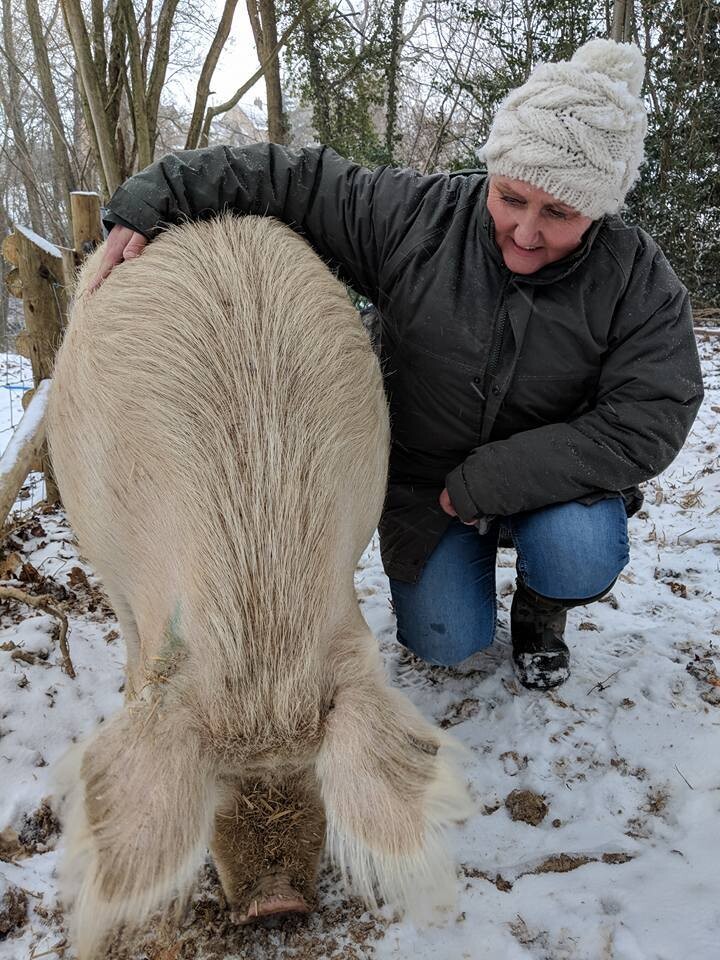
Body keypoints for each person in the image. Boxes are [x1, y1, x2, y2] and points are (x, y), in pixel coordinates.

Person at [92, 38, 703, 693]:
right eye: (510, 198)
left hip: (553, 488)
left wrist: (491, 481)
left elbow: (651, 414)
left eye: (558, 213)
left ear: (600, 210)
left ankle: (540, 612)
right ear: (490, 173)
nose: (526, 232)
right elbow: (293, 179)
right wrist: (158, 193)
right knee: (446, 643)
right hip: (426, 489)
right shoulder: (419, 217)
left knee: (577, 550)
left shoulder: (635, 277)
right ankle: (455, 582)